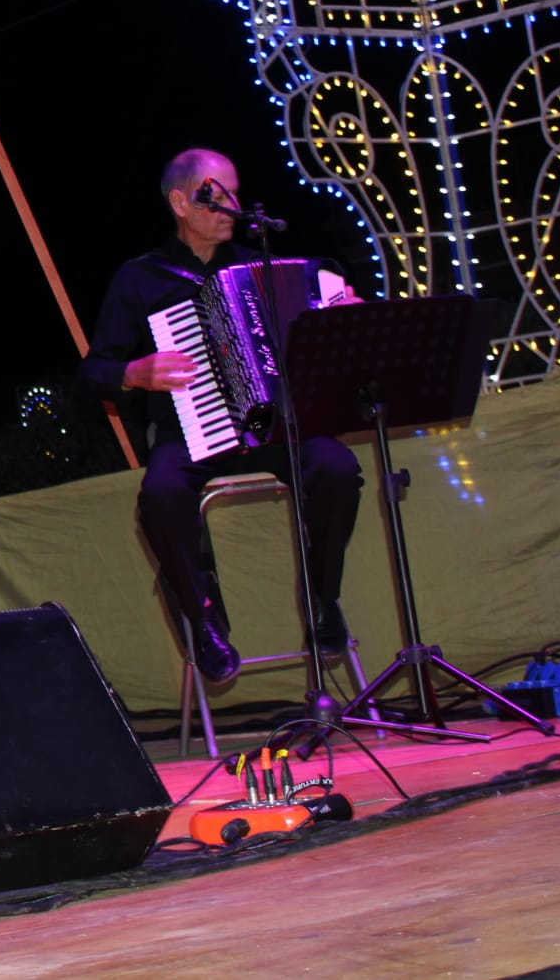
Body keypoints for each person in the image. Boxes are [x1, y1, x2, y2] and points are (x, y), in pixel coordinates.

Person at [80, 148, 362, 684]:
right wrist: (133, 372)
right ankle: (201, 616)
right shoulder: (141, 278)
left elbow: (321, 336)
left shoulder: (267, 267)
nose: (230, 205)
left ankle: (323, 598)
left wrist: (345, 317)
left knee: (337, 467)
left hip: (274, 426)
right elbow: (93, 373)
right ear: (180, 202)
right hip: (192, 431)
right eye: (214, 194)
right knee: (160, 495)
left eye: (234, 191)